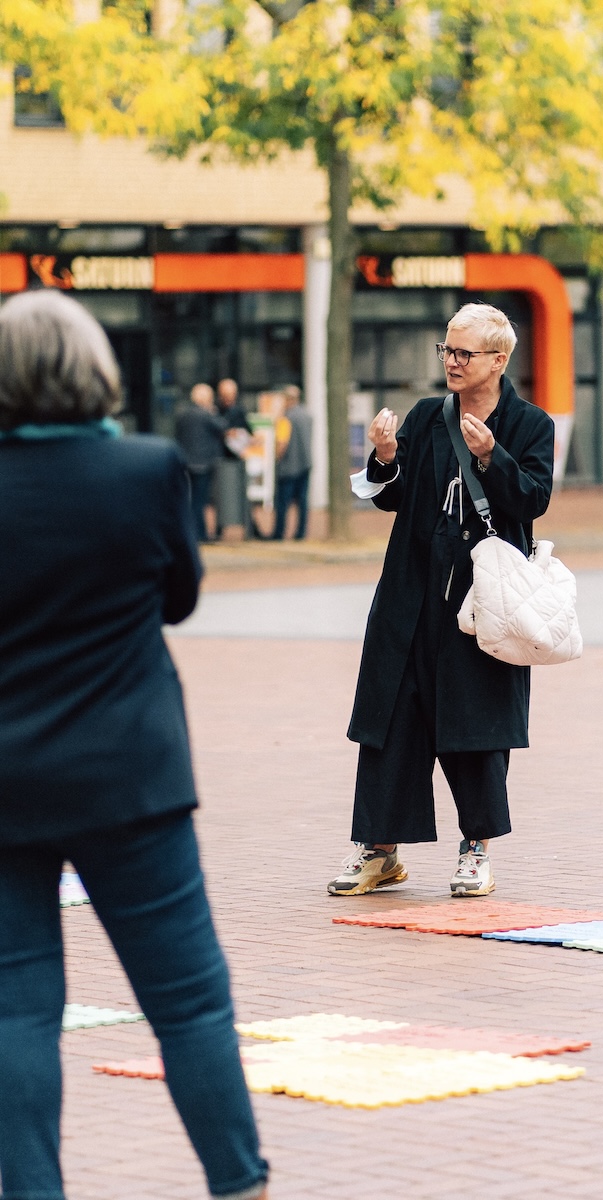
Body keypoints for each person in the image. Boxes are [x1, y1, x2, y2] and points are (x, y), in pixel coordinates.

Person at [0, 291, 269, 1200]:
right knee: (189, 1002)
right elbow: (180, 598)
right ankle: (238, 1182)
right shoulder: (148, 469)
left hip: (5, 785)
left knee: (16, 1012)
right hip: (132, 779)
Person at [328, 302, 555, 898]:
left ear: (499, 360)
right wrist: (382, 458)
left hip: (480, 602)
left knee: (475, 725)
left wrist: (490, 458)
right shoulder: (430, 415)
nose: (451, 362)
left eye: (463, 353)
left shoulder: (530, 424)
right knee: (391, 720)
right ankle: (378, 850)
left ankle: (476, 848)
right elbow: (393, 498)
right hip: (410, 591)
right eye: (446, 351)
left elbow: (532, 500)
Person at [174, 381, 224, 542]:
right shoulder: (206, 414)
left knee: (189, 499)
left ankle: (189, 531)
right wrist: (213, 411)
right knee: (199, 500)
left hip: (186, 463)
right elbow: (222, 427)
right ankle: (200, 533)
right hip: (203, 464)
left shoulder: (183, 414)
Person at [273, 384, 313, 540]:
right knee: (302, 502)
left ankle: (279, 533)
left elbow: (282, 443)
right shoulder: (307, 415)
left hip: (289, 466)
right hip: (305, 464)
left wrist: (276, 458)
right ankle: (300, 533)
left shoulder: (286, 418)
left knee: (283, 502)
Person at [215, 378, 254, 540]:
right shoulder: (215, 411)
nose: (228, 398)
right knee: (220, 496)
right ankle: (220, 528)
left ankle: (250, 528)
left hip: (237, 459)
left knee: (242, 495)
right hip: (221, 459)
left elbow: (248, 431)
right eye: (225, 395)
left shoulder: (239, 411)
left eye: (231, 395)